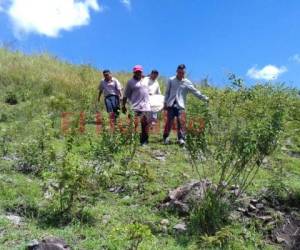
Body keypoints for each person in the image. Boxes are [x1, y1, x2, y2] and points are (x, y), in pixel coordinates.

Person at [163, 64, 209, 146]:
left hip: (181, 105)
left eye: (182, 73)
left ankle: (181, 139)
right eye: (179, 72)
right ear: (177, 71)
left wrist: (204, 98)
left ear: (184, 73)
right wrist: (165, 102)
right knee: (169, 121)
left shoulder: (187, 82)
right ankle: (166, 137)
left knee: (181, 122)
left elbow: (195, 91)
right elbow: (167, 92)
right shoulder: (171, 80)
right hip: (171, 104)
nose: (181, 74)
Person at [122, 65, 151, 146]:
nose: (138, 73)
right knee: (133, 124)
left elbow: (151, 77)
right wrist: (123, 106)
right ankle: (131, 140)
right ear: (134, 72)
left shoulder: (145, 80)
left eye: (140, 71)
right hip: (134, 107)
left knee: (145, 125)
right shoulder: (130, 82)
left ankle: (144, 141)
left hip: (146, 107)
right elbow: (125, 95)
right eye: (137, 71)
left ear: (142, 72)